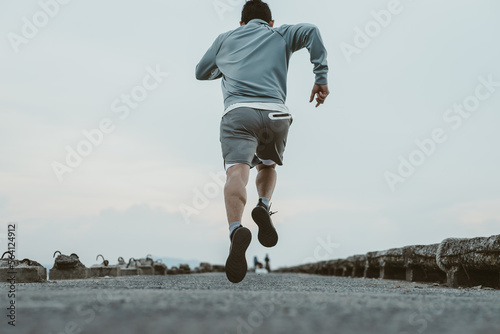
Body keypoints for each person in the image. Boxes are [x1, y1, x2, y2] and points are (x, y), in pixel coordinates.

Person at [195, 0, 329, 283]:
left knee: (236, 172)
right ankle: (263, 205)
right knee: (267, 166)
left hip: (238, 114)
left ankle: (235, 229)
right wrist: (320, 76)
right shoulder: (280, 34)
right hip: (276, 115)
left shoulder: (226, 38)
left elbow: (201, 72)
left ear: (241, 23)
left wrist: (226, 67)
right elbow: (312, 31)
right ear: (270, 22)